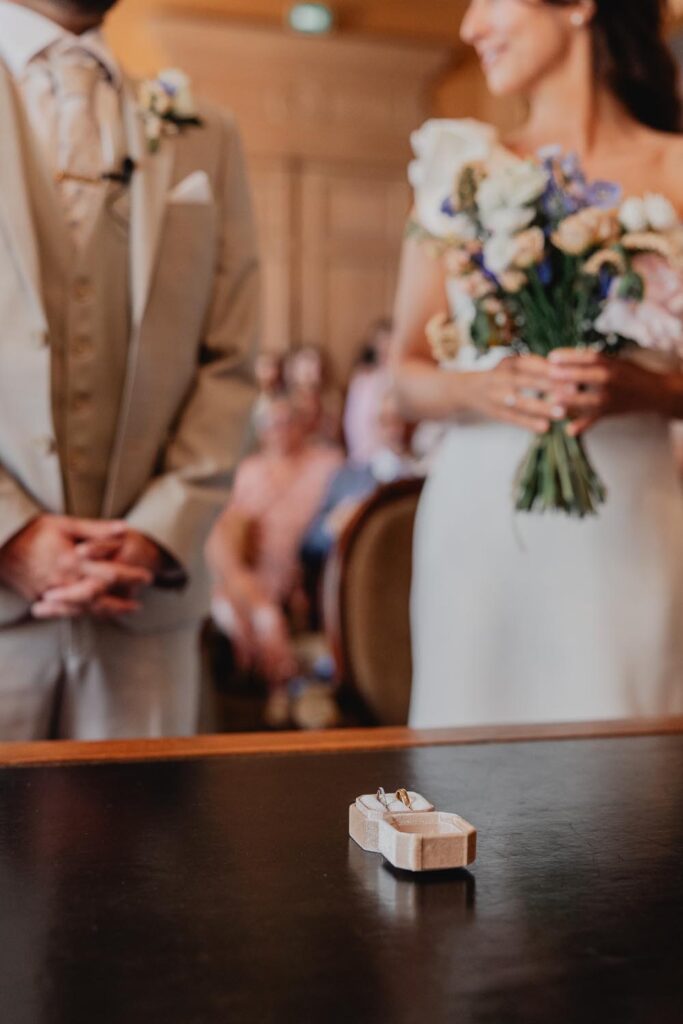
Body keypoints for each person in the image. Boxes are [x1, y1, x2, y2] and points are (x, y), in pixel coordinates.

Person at [390, 0, 683, 728]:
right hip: (481, 521)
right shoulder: (459, 167)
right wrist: (476, 386)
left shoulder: (674, 167)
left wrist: (652, 388)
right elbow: (403, 370)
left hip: (628, 518)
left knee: (627, 783)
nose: (468, 26)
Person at [0, 0, 258, 739]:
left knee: (146, 854)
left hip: (144, 614)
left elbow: (230, 359)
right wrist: (10, 535)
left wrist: (156, 531)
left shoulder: (206, 131)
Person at [206, 394, 342, 723]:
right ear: (261, 431)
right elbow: (222, 529)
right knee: (221, 545)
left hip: (304, 570)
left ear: (302, 425)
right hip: (251, 572)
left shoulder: (326, 464)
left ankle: (284, 680)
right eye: (271, 423)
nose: (279, 430)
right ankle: (268, 640)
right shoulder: (248, 471)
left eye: (286, 421)